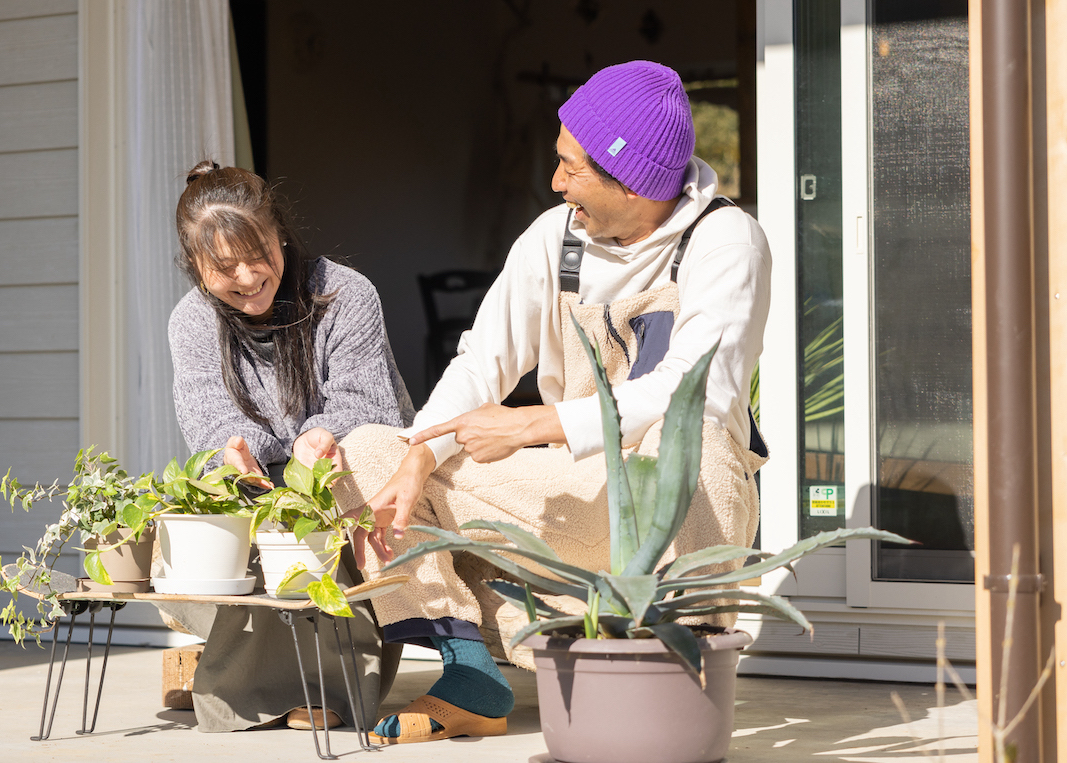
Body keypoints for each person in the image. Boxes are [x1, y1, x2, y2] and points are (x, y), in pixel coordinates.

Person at [331, 60, 772, 744]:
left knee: (701, 442)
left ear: (629, 180)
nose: (556, 180)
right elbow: (482, 362)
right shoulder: (552, 236)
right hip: (568, 497)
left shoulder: (724, 240)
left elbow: (697, 394)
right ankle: (469, 666)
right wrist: (418, 459)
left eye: (570, 165)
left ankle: (671, 662)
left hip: (676, 504)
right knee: (368, 453)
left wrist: (535, 423)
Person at [161, 160, 416, 733]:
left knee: (321, 534)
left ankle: (322, 688)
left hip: (341, 476)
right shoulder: (192, 321)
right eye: (226, 267)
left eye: (260, 255)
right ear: (196, 267)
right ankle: (244, 684)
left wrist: (318, 438)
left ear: (280, 233)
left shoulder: (345, 293)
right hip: (262, 485)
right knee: (221, 526)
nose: (249, 277)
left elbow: (372, 408)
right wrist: (238, 451)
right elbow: (210, 427)